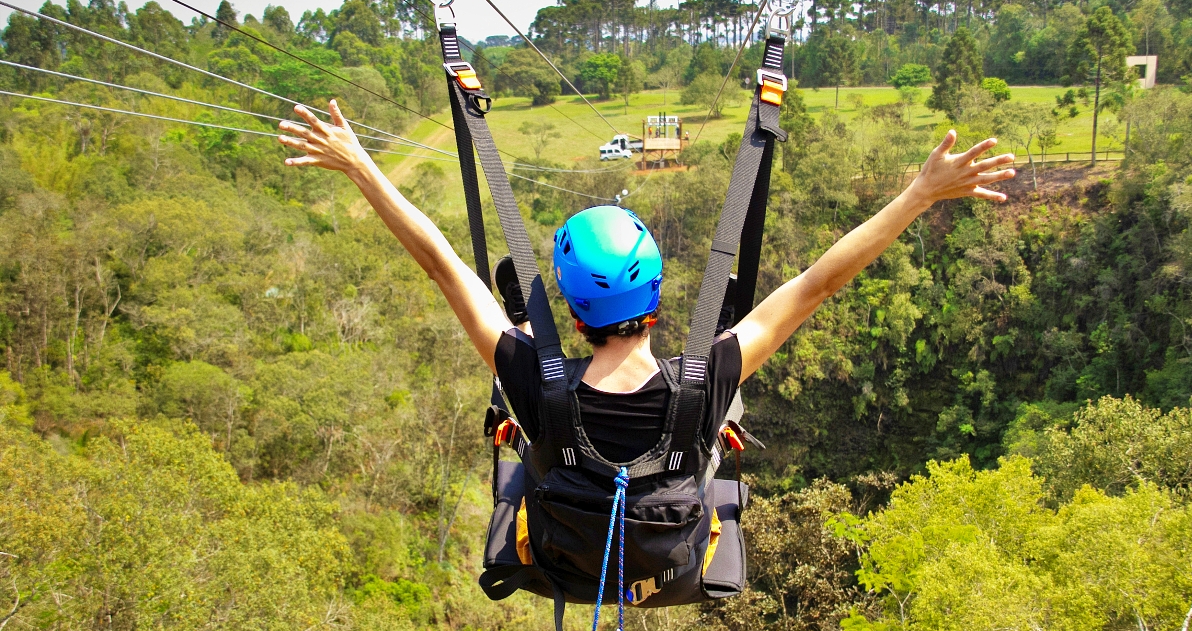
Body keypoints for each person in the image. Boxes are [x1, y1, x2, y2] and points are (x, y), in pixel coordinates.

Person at [277, 101, 1016, 462]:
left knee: (520, 352)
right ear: (657, 300)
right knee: (727, 359)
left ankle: (525, 322)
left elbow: (441, 262)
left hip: (560, 458)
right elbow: (820, 283)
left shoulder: (539, 385)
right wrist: (920, 193)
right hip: (671, 483)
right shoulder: (704, 381)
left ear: (574, 312)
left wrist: (359, 165)